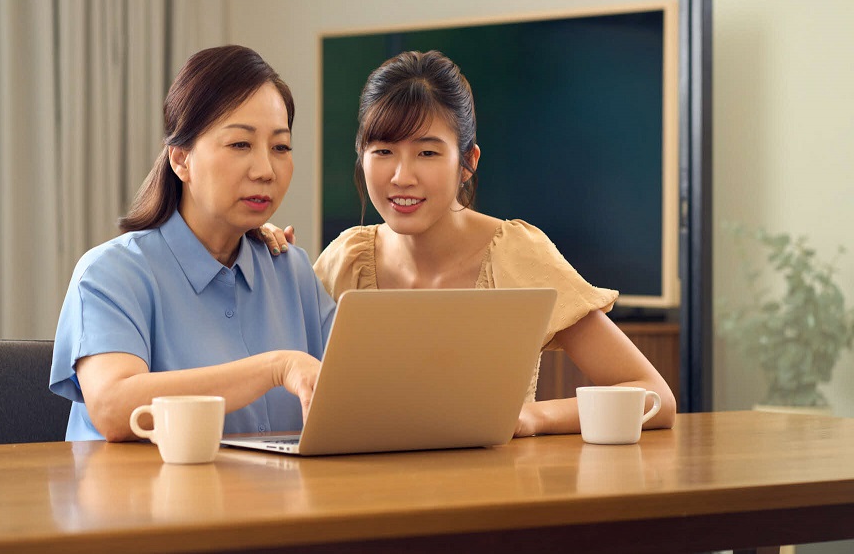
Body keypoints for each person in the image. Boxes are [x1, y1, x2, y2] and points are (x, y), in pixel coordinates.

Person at [260, 50, 676, 437]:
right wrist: (260, 258)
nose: (401, 177)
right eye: (383, 151)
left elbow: (655, 397)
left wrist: (532, 416)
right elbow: (280, 386)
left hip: (496, 487)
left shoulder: (516, 254)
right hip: (363, 486)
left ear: (467, 163)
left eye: (427, 153)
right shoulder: (346, 259)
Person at [50, 45, 336, 442]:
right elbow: (114, 407)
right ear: (181, 159)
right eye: (240, 144)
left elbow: (359, 390)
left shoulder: (292, 270)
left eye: (280, 147)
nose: (265, 170)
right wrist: (276, 368)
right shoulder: (110, 274)